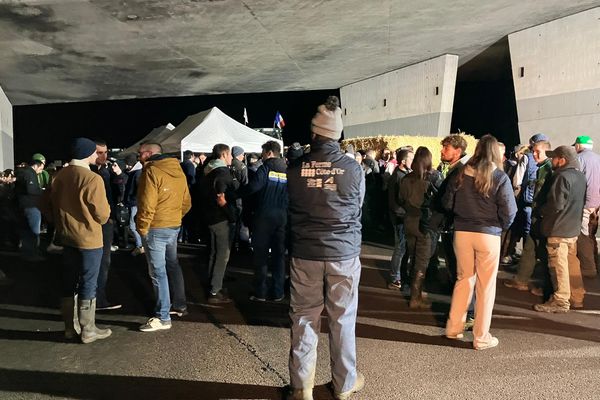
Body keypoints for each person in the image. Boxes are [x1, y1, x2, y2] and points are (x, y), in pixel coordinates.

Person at [287, 96, 365, 400]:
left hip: (305, 251)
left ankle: (301, 387)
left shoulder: (295, 168)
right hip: (343, 252)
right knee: (342, 318)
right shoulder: (353, 169)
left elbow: (289, 207)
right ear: (338, 135)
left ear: (314, 133)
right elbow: (357, 207)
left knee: (304, 316)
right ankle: (344, 384)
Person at [443, 134, 517, 350]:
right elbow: (510, 211)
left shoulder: (461, 174)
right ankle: (481, 337)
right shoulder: (499, 177)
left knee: (463, 279)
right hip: (488, 234)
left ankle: (453, 328)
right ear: (495, 152)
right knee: (486, 287)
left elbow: (448, 202)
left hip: (462, 232)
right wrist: (499, 226)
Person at [50, 138, 112, 343]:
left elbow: (46, 205)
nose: (97, 155)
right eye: (94, 152)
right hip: (89, 239)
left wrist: (60, 222)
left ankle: (69, 327)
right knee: (88, 282)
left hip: (67, 237)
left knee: (68, 282)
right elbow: (102, 215)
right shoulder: (92, 179)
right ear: (87, 153)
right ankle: (88, 330)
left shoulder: (59, 176)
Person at [136, 143, 192, 331]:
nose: (138, 155)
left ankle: (163, 317)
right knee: (173, 265)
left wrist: (142, 228)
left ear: (150, 154)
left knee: (158, 272)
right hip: (173, 225)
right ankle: (180, 305)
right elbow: (187, 202)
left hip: (156, 227)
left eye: (141, 152)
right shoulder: (178, 170)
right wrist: (175, 217)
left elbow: (147, 204)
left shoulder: (151, 171)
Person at [533, 146, 586, 313]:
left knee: (558, 265)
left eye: (554, 158)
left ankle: (560, 300)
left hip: (558, 228)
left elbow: (556, 204)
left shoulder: (561, 176)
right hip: (573, 228)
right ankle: (577, 297)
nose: (552, 161)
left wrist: (541, 211)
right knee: (572, 263)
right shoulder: (580, 176)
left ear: (562, 160)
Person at [238, 140, 288, 302]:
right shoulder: (288, 170)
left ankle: (260, 292)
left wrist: (235, 194)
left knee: (260, 256)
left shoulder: (265, 168)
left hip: (264, 217)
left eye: (263, 152)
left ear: (269, 153)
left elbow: (252, 188)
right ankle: (278, 292)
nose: (262, 156)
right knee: (279, 256)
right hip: (282, 218)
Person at [504, 139, 553, 292]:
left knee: (543, 252)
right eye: (533, 151)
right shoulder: (541, 167)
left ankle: (547, 286)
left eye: (538, 151)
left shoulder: (548, 169)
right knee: (530, 247)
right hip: (535, 213)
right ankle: (521, 279)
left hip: (541, 216)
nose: (534, 154)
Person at [399, 147, 442, 309]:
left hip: (409, 221)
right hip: (424, 223)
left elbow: (401, 199)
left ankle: (414, 292)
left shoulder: (406, 179)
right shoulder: (432, 178)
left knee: (412, 255)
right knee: (422, 261)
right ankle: (415, 297)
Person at [201, 144, 239, 304]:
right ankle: (215, 291)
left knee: (214, 253)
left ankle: (213, 284)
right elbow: (224, 198)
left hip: (210, 217)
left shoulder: (207, 171)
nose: (232, 158)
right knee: (222, 255)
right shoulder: (222, 174)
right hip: (220, 218)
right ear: (224, 154)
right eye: (230, 155)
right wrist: (232, 216)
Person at [91, 140, 121, 311]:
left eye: (105, 152)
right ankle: (96, 299)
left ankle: (97, 297)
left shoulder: (107, 171)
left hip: (106, 220)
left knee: (102, 261)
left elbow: (116, 195)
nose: (104, 155)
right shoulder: (91, 172)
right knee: (99, 260)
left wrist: (119, 176)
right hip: (99, 221)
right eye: (99, 152)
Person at [573, 136, 600, 278]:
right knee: (591, 235)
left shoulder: (579, 159)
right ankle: (596, 264)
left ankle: (588, 269)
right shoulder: (598, 158)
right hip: (597, 205)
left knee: (583, 236)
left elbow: (575, 182)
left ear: (578, 146)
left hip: (585, 204)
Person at [386, 148, 414, 290]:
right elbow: (395, 201)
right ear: (403, 161)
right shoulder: (398, 176)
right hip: (400, 217)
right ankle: (395, 278)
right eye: (411, 159)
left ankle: (397, 275)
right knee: (400, 248)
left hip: (402, 216)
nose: (413, 161)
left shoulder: (403, 174)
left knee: (402, 247)